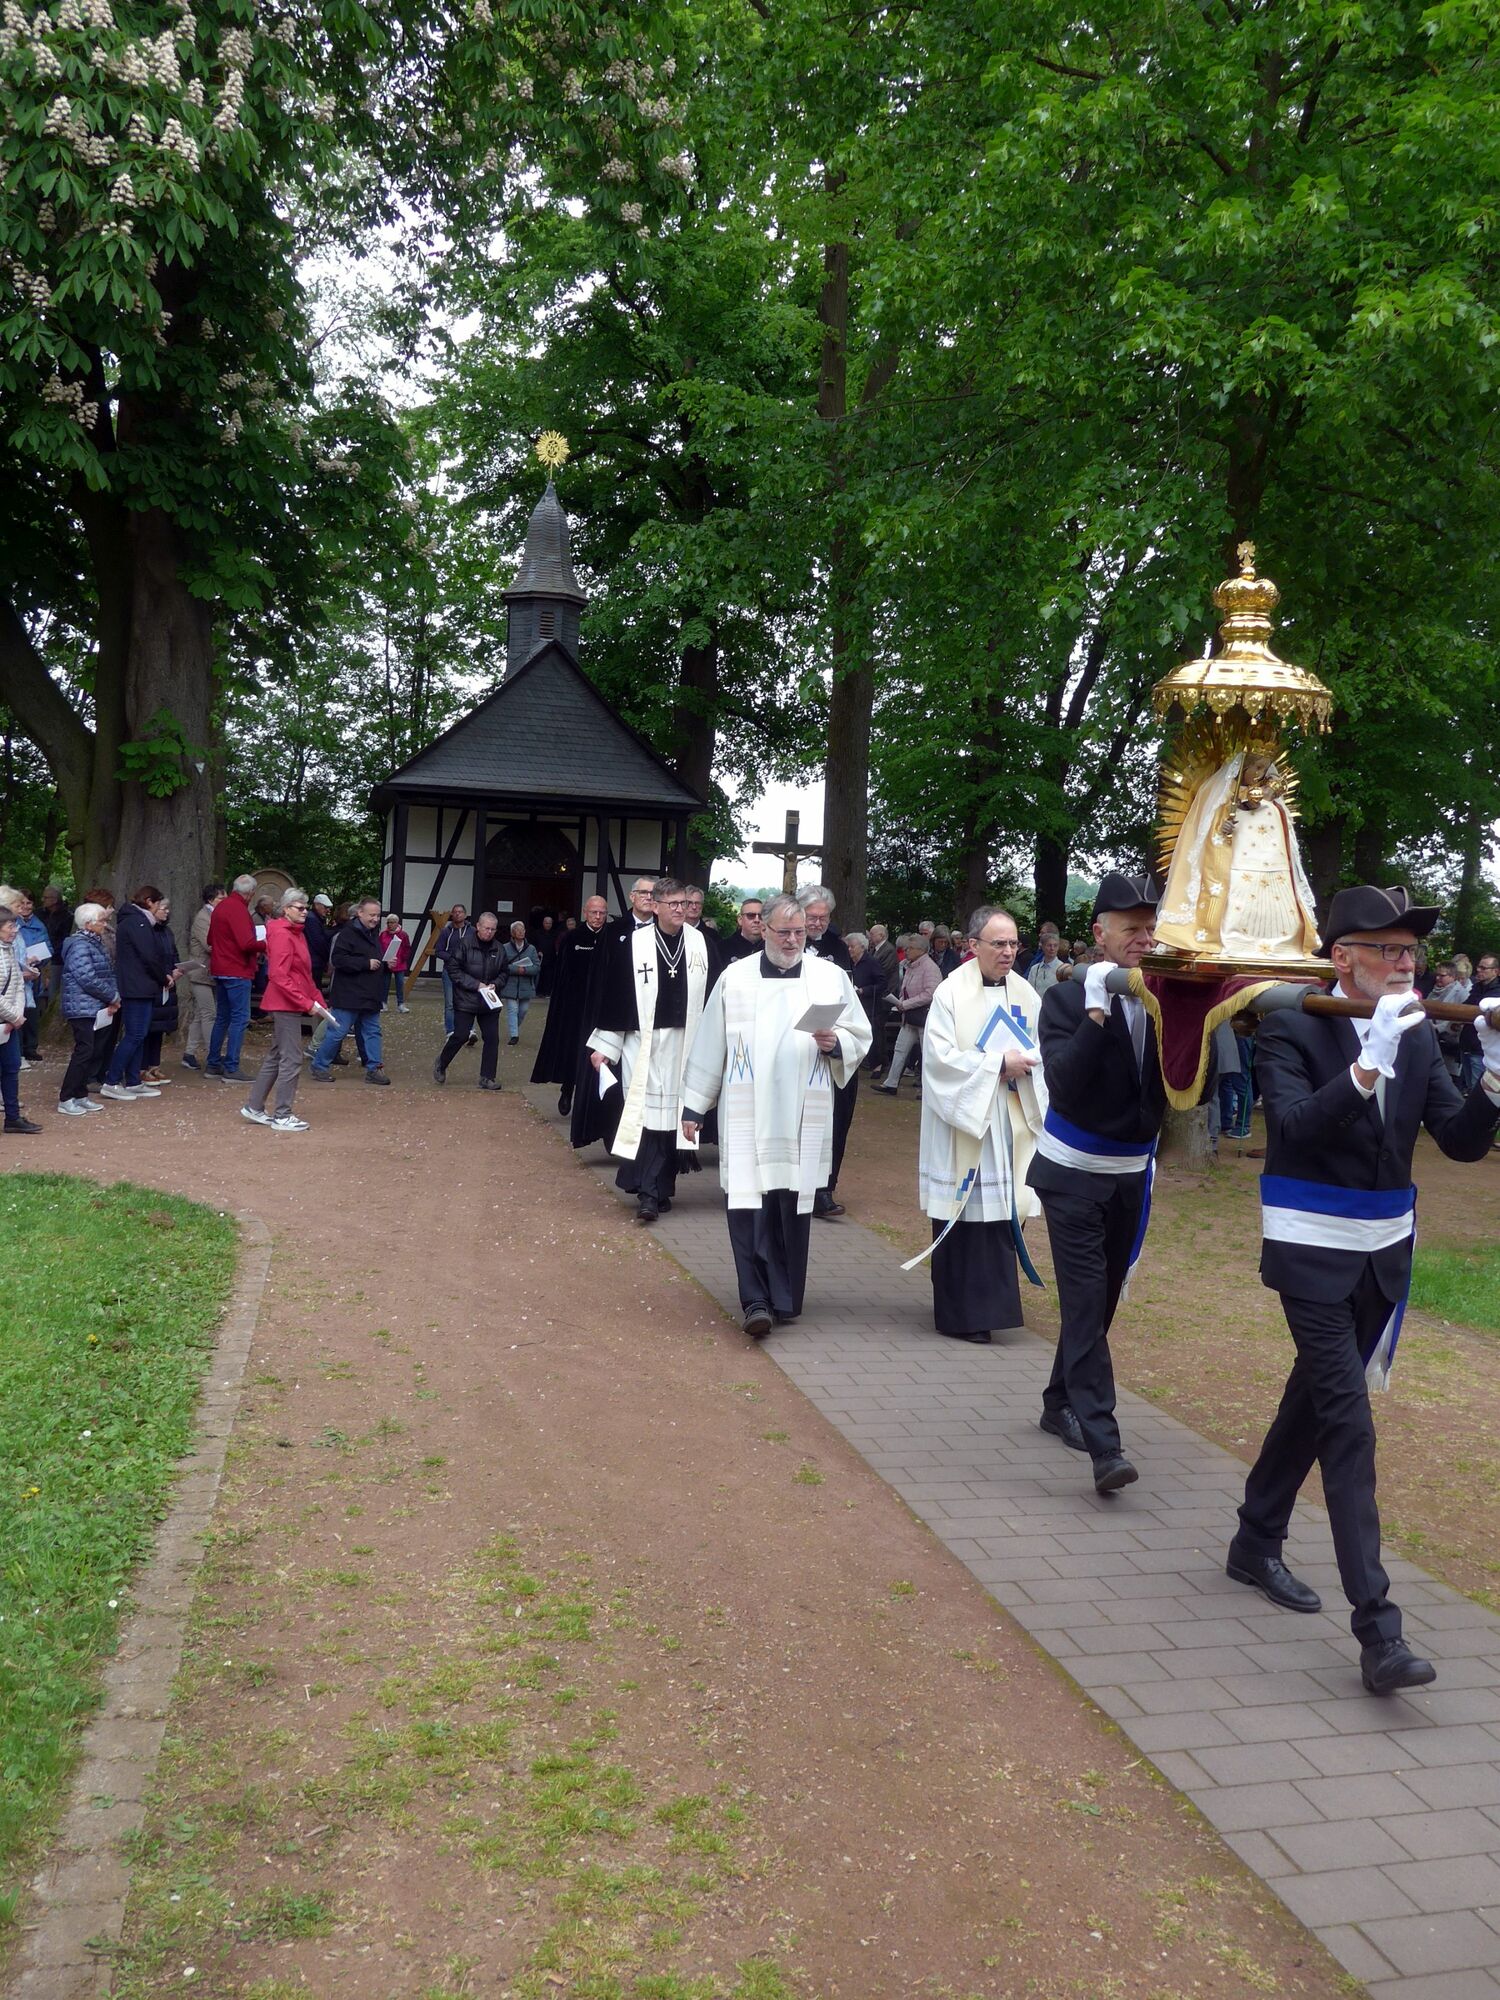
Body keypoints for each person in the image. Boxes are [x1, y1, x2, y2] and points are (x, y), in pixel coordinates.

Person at [1226, 885, 1500, 1694]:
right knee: (1349, 1425)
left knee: (1314, 1402)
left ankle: (1254, 1538)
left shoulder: (1413, 1033)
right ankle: (1380, 1633)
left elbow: (1457, 1143)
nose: (1405, 962)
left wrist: (1493, 1077)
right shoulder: (1292, 1023)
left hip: (1382, 1252)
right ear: (1341, 957)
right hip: (1311, 1249)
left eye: (1411, 951)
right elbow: (1294, 1129)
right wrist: (1365, 1065)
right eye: (1387, 948)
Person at [1026, 873, 1173, 1497]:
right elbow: (1062, 1084)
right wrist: (1096, 1011)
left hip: (1129, 1176)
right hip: (1072, 1176)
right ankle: (1104, 1445)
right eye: (1131, 928)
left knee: (1104, 1299)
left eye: (1151, 928)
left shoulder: (1165, 1000)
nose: (1143, 938)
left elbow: (1189, 1087)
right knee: (1086, 1300)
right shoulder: (1064, 999)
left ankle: (1058, 1399)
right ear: (1100, 933)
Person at [681, 893, 871, 1332]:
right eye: (783, 932)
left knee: (790, 1207)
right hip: (748, 1111)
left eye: (799, 932)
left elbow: (859, 1033)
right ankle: (755, 1301)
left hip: (802, 1113)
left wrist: (836, 1043)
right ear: (762, 929)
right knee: (747, 1202)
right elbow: (710, 1043)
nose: (792, 940)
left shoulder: (829, 977)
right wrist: (695, 1105)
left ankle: (784, 1299)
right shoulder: (735, 978)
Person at [919, 907, 1047, 1343]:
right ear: (974, 946)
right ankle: (962, 1315)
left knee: (1005, 1212)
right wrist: (996, 1065)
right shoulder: (951, 994)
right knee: (968, 1218)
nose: (1008, 952)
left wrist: (1028, 1064)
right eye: (999, 943)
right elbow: (939, 1061)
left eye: (1013, 943)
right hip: (968, 1123)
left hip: (1011, 1121)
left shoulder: (1027, 994)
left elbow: (1043, 1048)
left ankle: (994, 1308)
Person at [587, 878, 710, 1224]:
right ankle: (648, 1192)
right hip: (642, 1044)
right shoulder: (634, 943)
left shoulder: (699, 943)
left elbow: (714, 996)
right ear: (655, 906)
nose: (681, 910)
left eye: (684, 903)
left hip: (685, 1043)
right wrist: (605, 1046)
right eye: (673, 904)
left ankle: (660, 1188)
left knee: (673, 1119)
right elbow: (616, 996)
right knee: (646, 1119)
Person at [241, 890, 335, 1132]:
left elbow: (302, 973)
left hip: (288, 1002)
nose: (304, 911)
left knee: (276, 1056)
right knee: (291, 1058)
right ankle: (282, 1114)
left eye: (305, 907)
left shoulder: (295, 932)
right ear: (285, 909)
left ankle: (254, 1106)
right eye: (299, 907)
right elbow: (279, 975)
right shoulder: (284, 933)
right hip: (285, 1004)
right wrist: (307, 1003)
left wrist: (317, 1000)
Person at [799, 884, 857, 1218]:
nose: (818, 923)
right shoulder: (785, 943)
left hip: (831, 1042)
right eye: (812, 916)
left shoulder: (838, 947)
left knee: (833, 1121)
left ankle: (824, 1188)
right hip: (796, 1045)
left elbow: (848, 999)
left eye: (824, 917)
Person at [531, 894, 610, 1115]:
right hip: (575, 1007)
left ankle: (593, 1101)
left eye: (602, 913)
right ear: (585, 913)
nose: (597, 917)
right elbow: (562, 975)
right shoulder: (572, 938)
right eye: (594, 912)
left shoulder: (611, 938)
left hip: (602, 1006)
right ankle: (567, 1089)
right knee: (573, 1050)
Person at [308, 896, 392, 1085]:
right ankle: (319, 1065)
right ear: (360, 913)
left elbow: (374, 959)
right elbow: (338, 960)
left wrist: (385, 964)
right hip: (349, 994)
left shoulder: (372, 933)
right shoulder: (347, 933)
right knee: (337, 1032)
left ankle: (374, 1069)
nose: (375, 919)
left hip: (370, 994)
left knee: (373, 1032)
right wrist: (365, 964)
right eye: (372, 915)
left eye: (378, 915)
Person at [101, 886, 173, 1101]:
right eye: (158, 903)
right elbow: (149, 956)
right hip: (136, 987)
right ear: (149, 902)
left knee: (139, 1035)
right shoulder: (137, 922)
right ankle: (112, 1081)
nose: (160, 908)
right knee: (134, 1034)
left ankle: (133, 1081)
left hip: (140, 986)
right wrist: (163, 978)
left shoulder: (135, 922)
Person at [56, 903, 118, 1117]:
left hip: (94, 1005)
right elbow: (87, 977)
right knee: (84, 1052)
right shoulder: (80, 945)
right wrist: (111, 996)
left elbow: (107, 973)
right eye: (102, 920)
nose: (105, 924)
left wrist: (113, 996)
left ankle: (80, 1094)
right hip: (81, 1006)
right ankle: (66, 1098)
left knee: (91, 1051)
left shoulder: (94, 942)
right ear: (88, 923)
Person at [434, 912, 507, 1089]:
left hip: (489, 1001)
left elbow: (505, 972)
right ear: (478, 927)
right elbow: (453, 969)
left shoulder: (499, 948)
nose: (489, 932)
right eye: (486, 928)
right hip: (466, 999)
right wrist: (476, 985)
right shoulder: (464, 944)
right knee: (461, 1035)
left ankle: (487, 1077)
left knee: (492, 1038)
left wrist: (496, 984)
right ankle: (441, 1063)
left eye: (493, 929)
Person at [206, 873, 262, 1081]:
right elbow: (246, 943)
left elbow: (210, 939)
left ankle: (213, 1063)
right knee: (240, 1018)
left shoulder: (221, 907)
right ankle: (231, 1067)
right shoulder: (238, 909)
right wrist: (267, 943)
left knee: (222, 1017)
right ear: (250, 893)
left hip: (220, 968)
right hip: (237, 970)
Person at [875, 933, 939, 1094]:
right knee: (900, 1050)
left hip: (924, 1017)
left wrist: (905, 1004)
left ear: (921, 950)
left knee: (927, 1055)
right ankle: (891, 1083)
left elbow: (930, 994)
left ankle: (928, 1089)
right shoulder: (911, 965)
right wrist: (901, 1002)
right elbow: (905, 988)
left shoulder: (930, 968)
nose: (906, 951)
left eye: (910, 948)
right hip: (909, 1017)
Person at [0, 902, 40, 1132]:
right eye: (10, 926)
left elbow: (17, 986)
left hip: (9, 1022)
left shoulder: (10, 950)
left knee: (11, 1067)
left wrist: (15, 1016)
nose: (15, 930)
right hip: (6, 1020)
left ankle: (13, 1117)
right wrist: (13, 1016)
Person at [139, 896, 185, 1084]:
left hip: (168, 984)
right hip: (153, 984)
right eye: (163, 908)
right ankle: (142, 1067)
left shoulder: (167, 932)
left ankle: (154, 1065)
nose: (166, 911)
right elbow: (149, 960)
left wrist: (176, 970)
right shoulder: (146, 932)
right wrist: (163, 975)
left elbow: (173, 955)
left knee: (160, 1028)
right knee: (147, 1027)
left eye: (167, 908)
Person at [180, 884, 223, 1070]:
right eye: (221, 898)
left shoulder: (214, 916)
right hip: (200, 972)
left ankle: (189, 1053)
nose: (224, 901)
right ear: (211, 900)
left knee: (200, 1014)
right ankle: (214, 1054)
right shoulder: (203, 918)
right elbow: (210, 945)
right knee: (209, 1014)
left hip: (209, 973)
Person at [1459, 950, 1500, 1094]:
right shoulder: (1476, 987)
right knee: (1469, 1087)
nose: (1478, 970)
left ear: (1496, 971)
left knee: (1479, 1090)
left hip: (1481, 1049)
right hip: (1467, 1043)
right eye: (1478, 966)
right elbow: (1465, 1007)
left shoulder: (1497, 993)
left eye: (1483, 968)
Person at [433, 904, 473, 1039]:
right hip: (449, 971)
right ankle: (450, 1031)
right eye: (455, 912)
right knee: (450, 1003)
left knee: (468, 1001)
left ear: (465, 915)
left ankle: (469, 1030)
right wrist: (452, 958)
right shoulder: (446, 931)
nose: (457, 914)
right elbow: (438, 951)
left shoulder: (472, 931)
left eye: (460, 912)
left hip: (468, 971)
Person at [500, 920, 540, 1045]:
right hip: (510, 984)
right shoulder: (505, 947)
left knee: (523, 1010)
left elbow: (537, 967)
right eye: (518, 930)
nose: (521, 932)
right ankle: (514, 1035)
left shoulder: (531, 949)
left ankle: (514, 1028)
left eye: (522, 930)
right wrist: (515, 969)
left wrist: (525, 970)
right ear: (512, 933)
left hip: (526, 984)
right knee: (513, 1009)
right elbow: (502, 965)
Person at [39, 885, 70, 1006]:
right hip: (39, 958)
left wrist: (51, 953)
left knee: (53, 991)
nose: (43, 900)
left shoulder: (66, 917)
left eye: (46, 897)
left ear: (55, 900)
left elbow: (64, 939)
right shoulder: (40, 914)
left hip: (56, 960)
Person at [380, 912, 412, 1011]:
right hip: (386, 963)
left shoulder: (403, 935)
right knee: (385, 984)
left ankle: (401, 1004)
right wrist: (384, 959)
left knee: (400, 984)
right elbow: (380, 947)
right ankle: (383, 1003)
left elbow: (407, 948)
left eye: (392, 922)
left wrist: (403, 958)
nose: (390, 924)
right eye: (388, 922)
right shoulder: (383, 934)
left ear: (397, 923)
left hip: (399, 963)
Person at [1027, 925, 1066, 996]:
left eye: (1055, 945)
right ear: (1043, 946)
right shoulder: (1035, 969)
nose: (1052, 948)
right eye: (1049, 945)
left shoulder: (1063, 969)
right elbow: (1029, 991)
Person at [304, 894, 333, 988]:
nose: (328, 910)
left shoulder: (315, 918)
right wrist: (326, 957)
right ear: (317, 905)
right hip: (314, 962)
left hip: (315, 961)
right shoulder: (312, 919)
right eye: (325, 907)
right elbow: (318, 942)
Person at [724, 897, 764, 963]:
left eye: (761, 916)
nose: (757, 920)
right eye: (751, 915)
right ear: (740, 920)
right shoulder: (722, 948)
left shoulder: (772, 947)